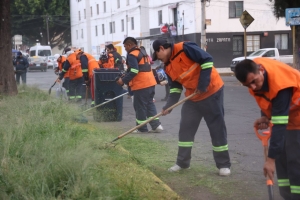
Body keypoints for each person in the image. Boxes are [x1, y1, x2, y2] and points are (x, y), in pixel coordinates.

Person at [152, 39, 231, 176]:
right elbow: (175, 89)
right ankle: (182, 164)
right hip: (193, 97)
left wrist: (202, 85)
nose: (157, 58)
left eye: (157, 54)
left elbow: (207, 60)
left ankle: (223, 165)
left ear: (161, 49)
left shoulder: (185, 48)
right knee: (186, 129)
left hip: (212, 91)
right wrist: (168, 107)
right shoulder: (167, 67)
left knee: (216, 129)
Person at [234, 58, 300, 200]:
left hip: (297, 119)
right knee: (282, 159)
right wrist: (265, 116)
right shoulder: (253, 71)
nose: (252, 87)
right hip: (286, 116)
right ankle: (287, 196)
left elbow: (279, 124)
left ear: (261, 71)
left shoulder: (281, 85)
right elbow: (265, 97)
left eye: (253, 82)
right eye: (247, 85)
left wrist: (270, 160)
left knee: (295, 161)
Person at [116, 37, 163, 133]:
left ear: (129, 45)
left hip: (141, 84)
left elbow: (134, 70)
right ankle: (156, 126)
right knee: (149, 104)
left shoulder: (132, 54)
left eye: (125, 47)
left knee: (140, 106)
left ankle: (142, 128)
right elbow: (140, 67)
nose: (125, 49)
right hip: (150, 82)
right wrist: (127, 73)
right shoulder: (142, 52)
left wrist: (123, 80)